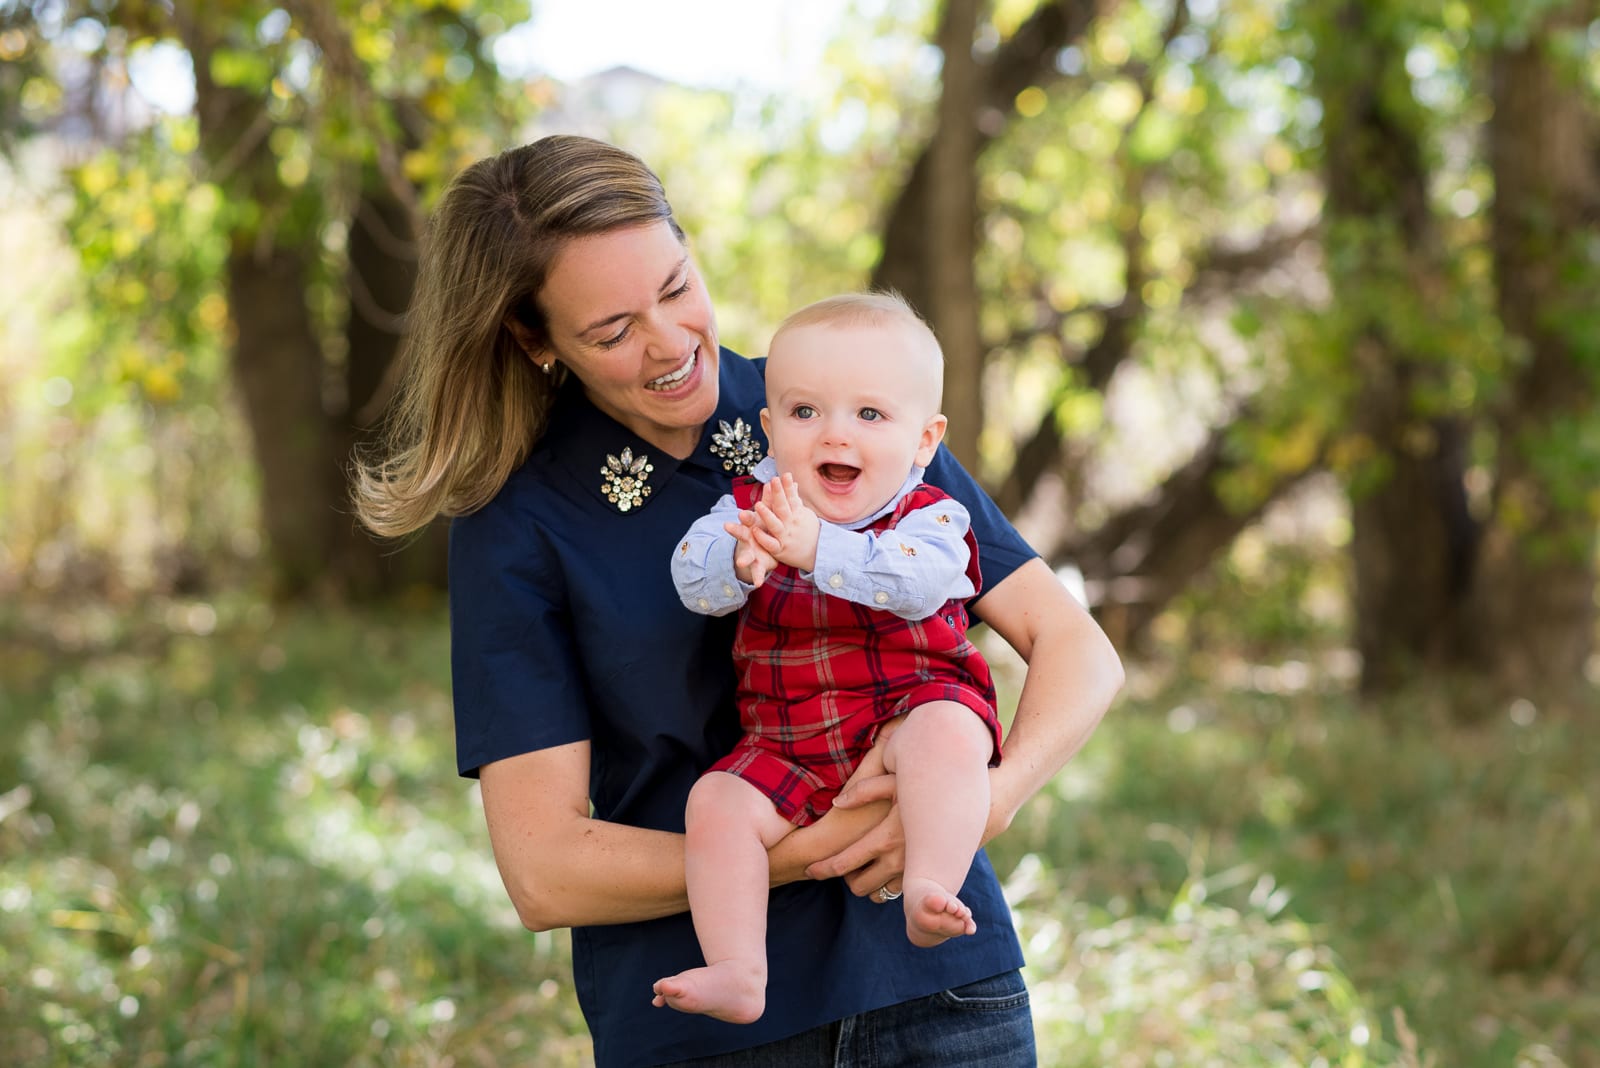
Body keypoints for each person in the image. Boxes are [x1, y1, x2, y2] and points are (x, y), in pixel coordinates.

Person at [354, 134, 1124, 1067]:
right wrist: (805, 850)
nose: (673, 343)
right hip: (708, 1033)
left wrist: (992, 799)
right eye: (613, 331)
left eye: (678, 287)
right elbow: (543, 870)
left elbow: (1075, 647)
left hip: (940, 989)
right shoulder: (516, 521)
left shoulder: (835, 402)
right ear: (534, 339)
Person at [655, 293, 1003, 1025]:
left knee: (950, 736)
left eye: (869, 415)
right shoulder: (750, 506)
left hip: (910, 712)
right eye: (805, 412)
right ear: (770, 428)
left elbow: (912, 584)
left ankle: (930, 886)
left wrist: (818, 550)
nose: (833, 434)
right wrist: (738, 561)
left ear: (924, 438)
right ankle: (738, 969)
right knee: (714, 805)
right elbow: (691, 577)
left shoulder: (933, 515)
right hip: (790, 741)